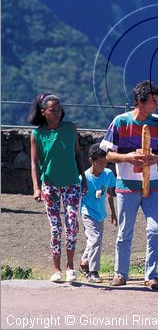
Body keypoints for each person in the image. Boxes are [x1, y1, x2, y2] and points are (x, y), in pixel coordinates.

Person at [100, 80, 158, 289]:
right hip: (126, 186)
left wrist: (156, 159)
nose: (157, 105)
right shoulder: (120, 122)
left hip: (153, 185)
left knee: (155, 230)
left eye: (157, 101)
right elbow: (107, 154)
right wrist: (128, 157)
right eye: (153, 101)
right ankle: (121, 274)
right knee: (125, 231)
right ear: (140, 102)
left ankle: (151, 275)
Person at [29, 92, 88, 282]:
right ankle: (56, 269)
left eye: (59, 109)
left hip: (72, 184)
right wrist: (36, 187)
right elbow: (34, 163)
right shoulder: (37, 134)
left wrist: (83, 179)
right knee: (55, 228)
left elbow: (78, 154)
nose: (57, 112)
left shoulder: (70, 128)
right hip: (50, 186)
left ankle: (71, 267)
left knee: (71, 224)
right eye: (52, 110)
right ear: (43, 112)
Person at [79, 143, 117, 282]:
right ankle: (92, 271)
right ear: (91, 161)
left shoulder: (108, 174)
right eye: (99, 163)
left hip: (100, 214)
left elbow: (109, 193)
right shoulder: (84, 178)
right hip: (87, 212)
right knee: (95, 240)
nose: (103, 166)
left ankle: (84, 261)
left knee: (94, 240)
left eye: (105, 162)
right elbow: (78, 199)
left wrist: (113, 213)